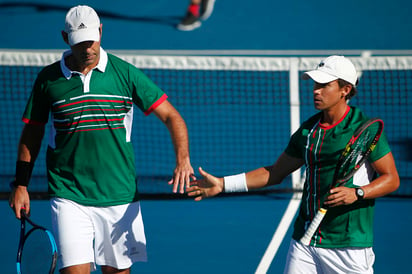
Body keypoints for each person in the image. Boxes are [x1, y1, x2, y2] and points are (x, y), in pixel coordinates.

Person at [9, 5, 195, 274]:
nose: (87, 49)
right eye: (80, 43)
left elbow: (171, 117)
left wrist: (183, 159)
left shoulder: (125, 74)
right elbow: (32, 133)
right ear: (65, 38)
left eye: (92, 40)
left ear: (101, 32)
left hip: (119, 196)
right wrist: (21, 183)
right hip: (68, 194)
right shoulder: (47, 80)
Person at [187, 55, 400, 273]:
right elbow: (275, 172)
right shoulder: (308, 131)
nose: (316, 90)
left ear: (345, 90)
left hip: (349, 245)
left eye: (324, 85)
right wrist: (223, 184)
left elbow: (391, 179)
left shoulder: (364, 129)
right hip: (306, 239)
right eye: (316, 84)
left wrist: (358, 193)